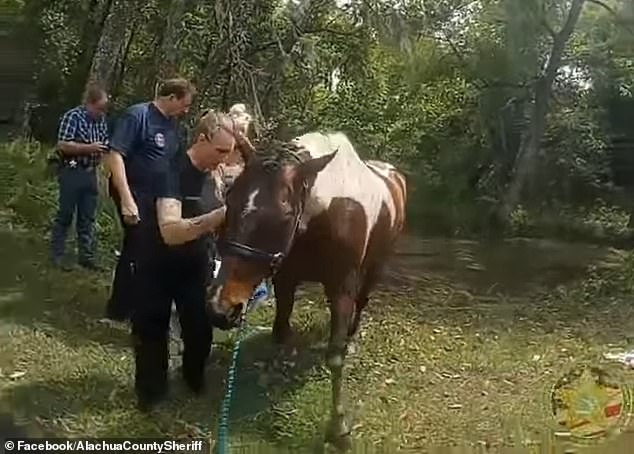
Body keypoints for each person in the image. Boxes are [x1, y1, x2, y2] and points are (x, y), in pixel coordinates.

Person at [132, 108, 250, 411]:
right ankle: (151, 395)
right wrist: (218, 217)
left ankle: (193, 380)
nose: (224, 158)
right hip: (155, 264)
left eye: (230, 152)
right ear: (201, 139)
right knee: (152, 331)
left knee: (199, 329)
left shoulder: (214, 173)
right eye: (220, 150)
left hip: (195, 266)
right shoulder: (168, 171)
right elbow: (170, 231)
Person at [104, 78, 195, 322]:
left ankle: (137, 303)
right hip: (135, 194)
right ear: (171, 98)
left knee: (150, 250)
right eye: (184, 104)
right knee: (137, 248)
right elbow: (115, 155)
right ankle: (119, 310)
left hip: (160, 198)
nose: (186, 110)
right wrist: (126, 198)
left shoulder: (172, 126)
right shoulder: (138, 116)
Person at [50, 83, 109, 271]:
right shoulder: (73, 117)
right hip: (72, 170)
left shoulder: (101, 121)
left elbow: (104, 143)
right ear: (89, 104)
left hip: (90, 172)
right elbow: (63, 145)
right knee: (66, 214)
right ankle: (57, 254)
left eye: (104, 109)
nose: (101, 112)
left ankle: (87, 256)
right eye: (99, 108)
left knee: (87, 217)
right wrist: (88, 147)